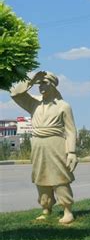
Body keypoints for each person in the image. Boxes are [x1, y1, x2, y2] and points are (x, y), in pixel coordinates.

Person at [10, 71, 78, 224]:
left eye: (44, 83)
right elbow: (14, 93)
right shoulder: (34, 103)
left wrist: (72, 152)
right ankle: (46, 208)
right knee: (40, 177)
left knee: (60, 177)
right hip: (38, 145)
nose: (41, 86)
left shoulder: (63, 106)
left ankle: (67, 210)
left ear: (53, 85)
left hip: (56, 144)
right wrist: (31, 80)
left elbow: (71, 130)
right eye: (39, 84)